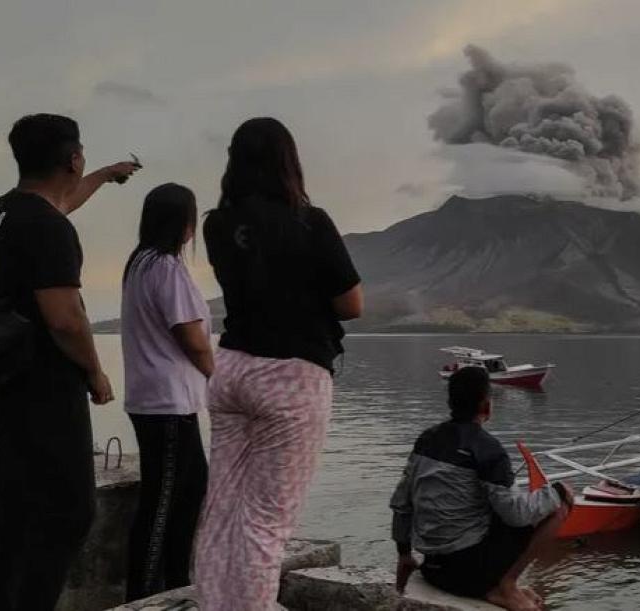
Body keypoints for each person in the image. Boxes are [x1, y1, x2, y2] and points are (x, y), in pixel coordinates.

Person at [194, 117, 363, 610]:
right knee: (267, 521)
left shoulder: (216, 224)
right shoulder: (311, 222)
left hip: (232, 369)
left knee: (222, 507)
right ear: (288, 161)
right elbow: (351, 305)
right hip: (291, 379)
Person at [0, 113, 140, 611]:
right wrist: (95, 370)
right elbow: (65, 318)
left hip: (4, 381)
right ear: (71, 158)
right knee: (69, 509)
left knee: (15, 505)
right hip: (44, 387)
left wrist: (108, 175)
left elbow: (62, 200)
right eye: (83, 155)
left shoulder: (1, 213)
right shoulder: (48, 229)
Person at [389, 367, 573, 611]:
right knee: (558, 505)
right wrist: (557, 492)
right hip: (469, 576)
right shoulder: (487, 449)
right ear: (487, 406)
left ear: (451, 403)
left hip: (433, 569)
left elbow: (402, 502)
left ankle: (504, 585)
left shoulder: (427, 439)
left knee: (486, 504)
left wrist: (404, 555)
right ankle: (506, 587)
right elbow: (516, 515)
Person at [120, 183, 212, 601]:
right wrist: (221, 376)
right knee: (165, 501)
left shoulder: (139, 263)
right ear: (182, 223)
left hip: (155, 398)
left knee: (189, 490)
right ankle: (145, 597)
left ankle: (176, 586)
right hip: (167, 402)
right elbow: (191, 337)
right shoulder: (166, 268)